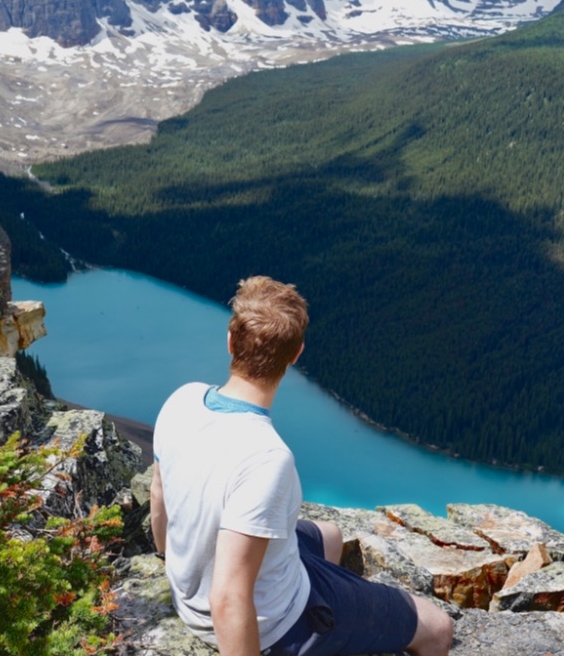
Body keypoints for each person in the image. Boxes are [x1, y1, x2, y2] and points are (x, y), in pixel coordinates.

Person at [149, 275, 454, 656]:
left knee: (329, 535)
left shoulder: (182, 400)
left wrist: (171, 563)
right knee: (438, 627)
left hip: (189, 593)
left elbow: (159, 497)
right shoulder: (267, 459)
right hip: (273, 625)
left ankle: (333, 613)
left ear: (230, 342)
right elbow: (229, 598)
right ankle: (322, 625)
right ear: (296, 354)